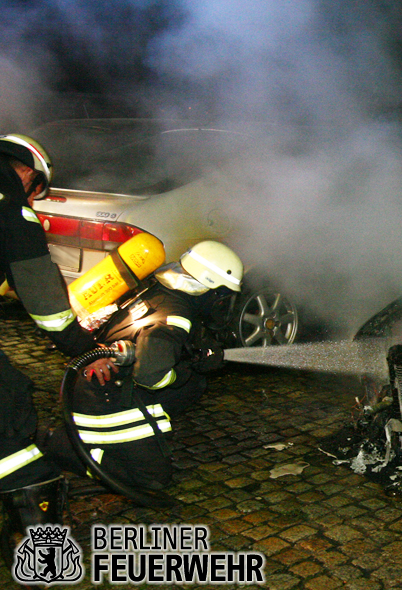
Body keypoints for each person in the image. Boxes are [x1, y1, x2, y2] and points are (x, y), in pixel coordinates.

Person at [43, 240, 244, 491]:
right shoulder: (174, 318)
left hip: (95, 380)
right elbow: (150, 376)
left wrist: (196, 358)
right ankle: (60, 445)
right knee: (152, 479)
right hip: (104, 397)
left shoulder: (159, 289)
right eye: (222, 295)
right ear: (207, 287)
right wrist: (184, 371)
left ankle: (142, 434)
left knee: (195, 384)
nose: (222, 302)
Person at [0, 134, 116, 543]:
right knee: (8, 407)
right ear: (29, 174)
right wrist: (87, 350)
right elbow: (47, 309)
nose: (33, 202)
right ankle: (35, 538)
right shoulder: (11, 211)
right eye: (35, 194)